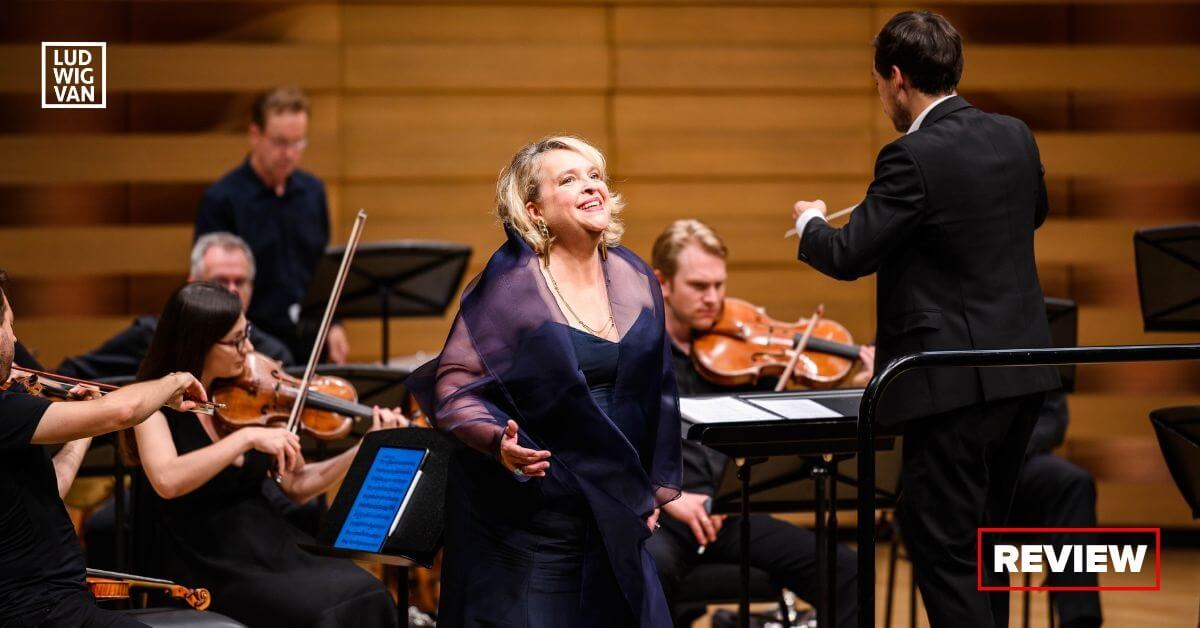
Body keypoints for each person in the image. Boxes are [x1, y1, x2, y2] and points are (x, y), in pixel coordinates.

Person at [790, 11, 1059, 627]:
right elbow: (1033, 213)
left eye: (879, 84)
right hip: (1022, 377)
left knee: (943, 547)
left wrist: (809, 222)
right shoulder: (1015, 135)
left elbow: (847, 254)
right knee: (985, 544)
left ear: (896, 77)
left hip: (952, 386)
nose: (882, 95)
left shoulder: (909, 156)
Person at [407, 136, 682, 627]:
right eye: (569, 180)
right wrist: (498, 441)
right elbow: (454, 387)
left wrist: (644, 486)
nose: (591, 186)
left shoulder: (634, 275)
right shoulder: (513, 286)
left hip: (612, 503)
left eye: (595, 175)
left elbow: (654, 392)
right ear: (534, 211)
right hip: (539, 514)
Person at [128, 282, 403, 628]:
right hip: (206, 561)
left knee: (369, 592)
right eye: (235, 341)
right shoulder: (152, 405)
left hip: (269, 543)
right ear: (198, 342)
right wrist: (245, 440)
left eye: (247, 334)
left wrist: (363, 449)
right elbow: (167, 479)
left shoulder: (246, 399)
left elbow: (297, 485)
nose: (248, 349)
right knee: (321, 613)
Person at [646, 219, 861, 628]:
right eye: (699, 286)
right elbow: (611, 445)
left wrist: (858, 381)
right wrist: (665, 497)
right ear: (663, 283)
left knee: (844, 569)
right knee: (647, 572)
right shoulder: (638, 354)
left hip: (728, 515)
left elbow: (795, 419)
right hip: (664, 517)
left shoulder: (742, 357)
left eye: (719, 285)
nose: (713, 298)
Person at [0, 270, 208, 628]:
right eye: (9, 325)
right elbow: (122, 411)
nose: (15, 338)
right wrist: (174, 381)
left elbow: (49, 490)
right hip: (44, 612)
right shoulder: (6, 410)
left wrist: (82, 432)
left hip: (54, 605)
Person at [194, 86, 350, 364]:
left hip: (310, 341)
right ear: (255, 135)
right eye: (279, 142)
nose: (289, 153)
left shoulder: (313, 191)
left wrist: (335, 323)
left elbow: (321, 269)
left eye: (298, 143)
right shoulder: (222, 199)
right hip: (253, 343)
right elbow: (212, 289)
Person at [58, 231, 294, 381]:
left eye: (240, 282)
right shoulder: (151, 336)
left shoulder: (272, 353)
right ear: (194, 284)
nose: (233, 290)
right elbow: (72, 373)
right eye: (221, 281)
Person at [1009, 391, 1102, 628]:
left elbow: (1053, 419)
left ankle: (1079, 621)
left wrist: (1010, 449)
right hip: (957, 466)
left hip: (1018, 461)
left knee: (1074, 483)